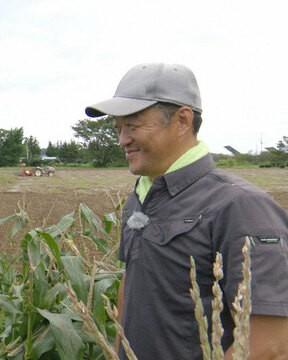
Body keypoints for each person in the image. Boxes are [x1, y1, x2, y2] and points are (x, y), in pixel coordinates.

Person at [85, 63, 288, 359]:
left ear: (182, 120)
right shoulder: (140, 199)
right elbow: (131, 287)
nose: (122, 139)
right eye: (118, 128)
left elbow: (270, 346)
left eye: (133, 126)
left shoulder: (241, 207)